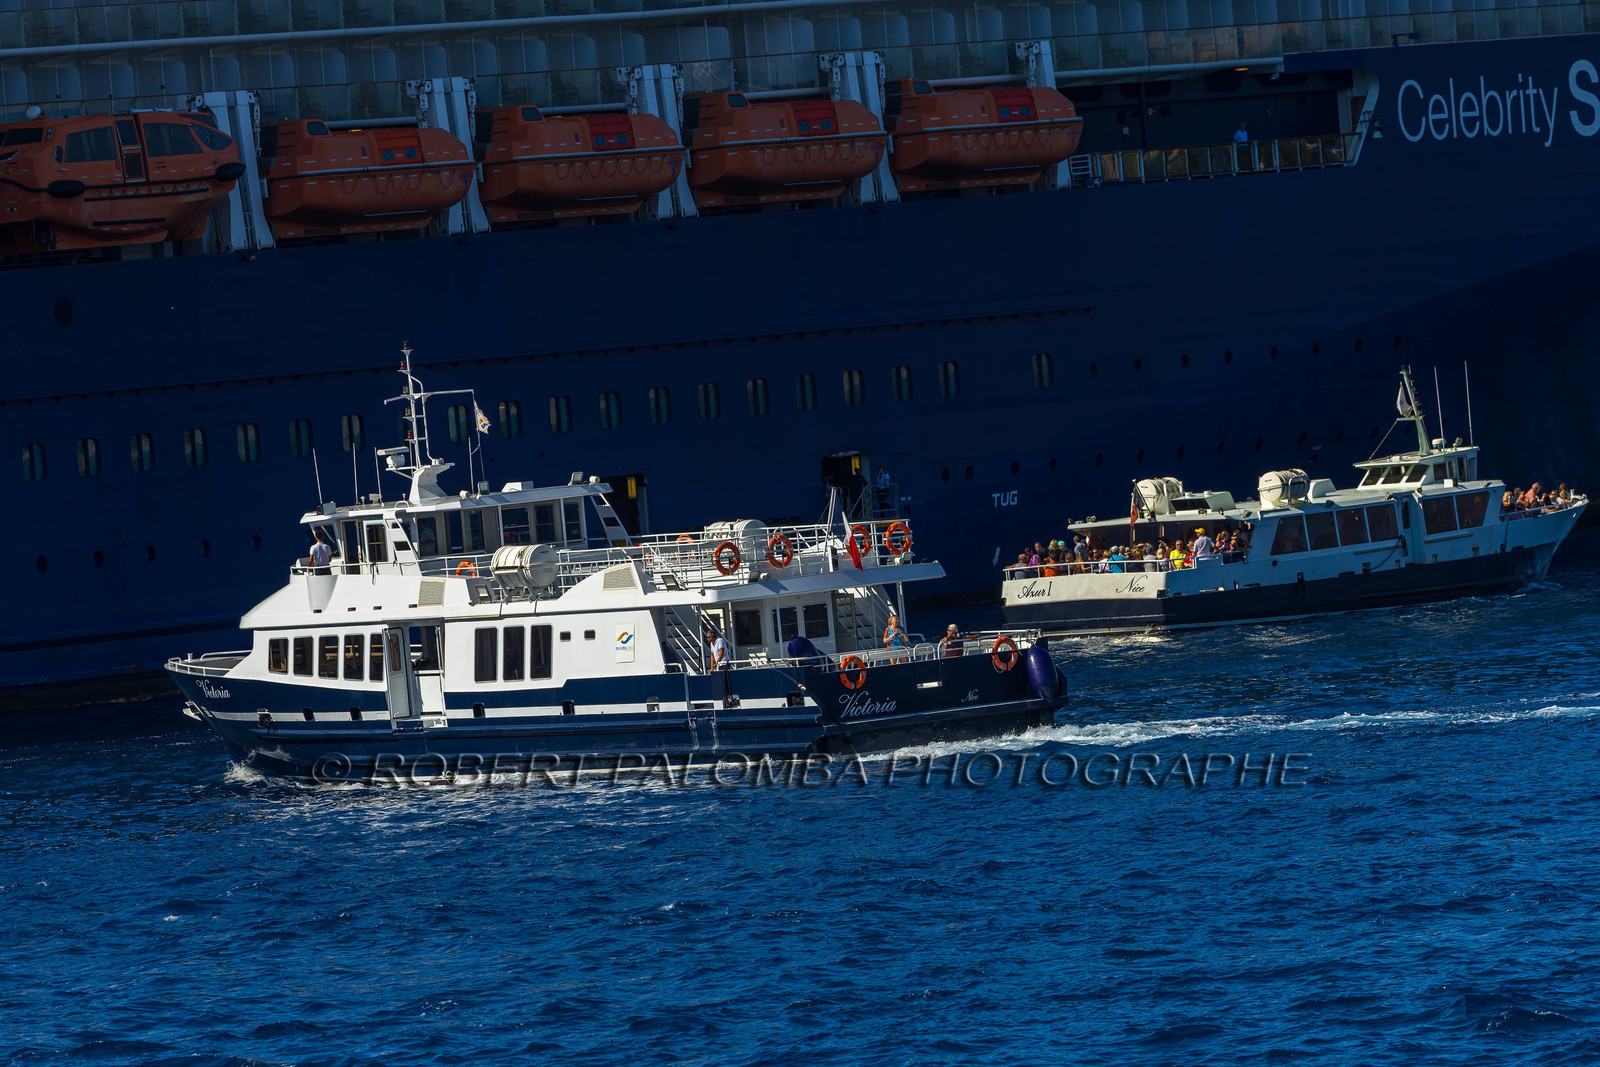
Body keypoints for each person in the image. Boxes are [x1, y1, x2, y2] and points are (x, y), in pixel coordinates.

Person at [706, 628, 732, 703]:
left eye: (708, 637)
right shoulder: (712, 643)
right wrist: (712, 667)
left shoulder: (719, 640)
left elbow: (721, 652)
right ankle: (723, 698)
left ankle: (729, 697)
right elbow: (712, 656)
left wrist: (717, 663)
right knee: (720, 682)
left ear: (712, 637)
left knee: (725, 681)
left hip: (724, 663)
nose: (707, 638)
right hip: (718, 665)